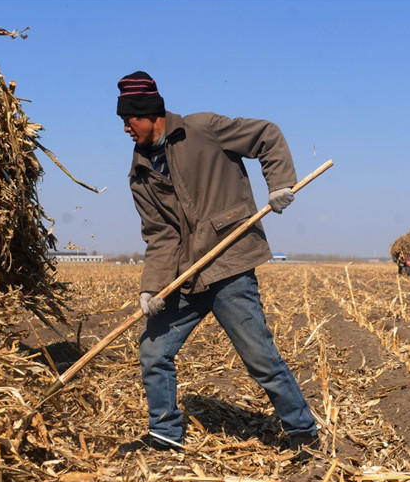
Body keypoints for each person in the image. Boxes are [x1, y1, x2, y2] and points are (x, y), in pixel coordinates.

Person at [116, 71, 318, 456]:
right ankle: (164, 434)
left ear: (151, 114)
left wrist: (279, 184)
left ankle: (302, 431)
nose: (125, 128)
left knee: (259, 358)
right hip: (186, 279)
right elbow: (160, 236)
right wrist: (151, 287)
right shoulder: (139, 174)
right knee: (154, 351)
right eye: (122, 121)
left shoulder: (202, 129)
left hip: (228, 266)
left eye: (130, 119)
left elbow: (266, 136)